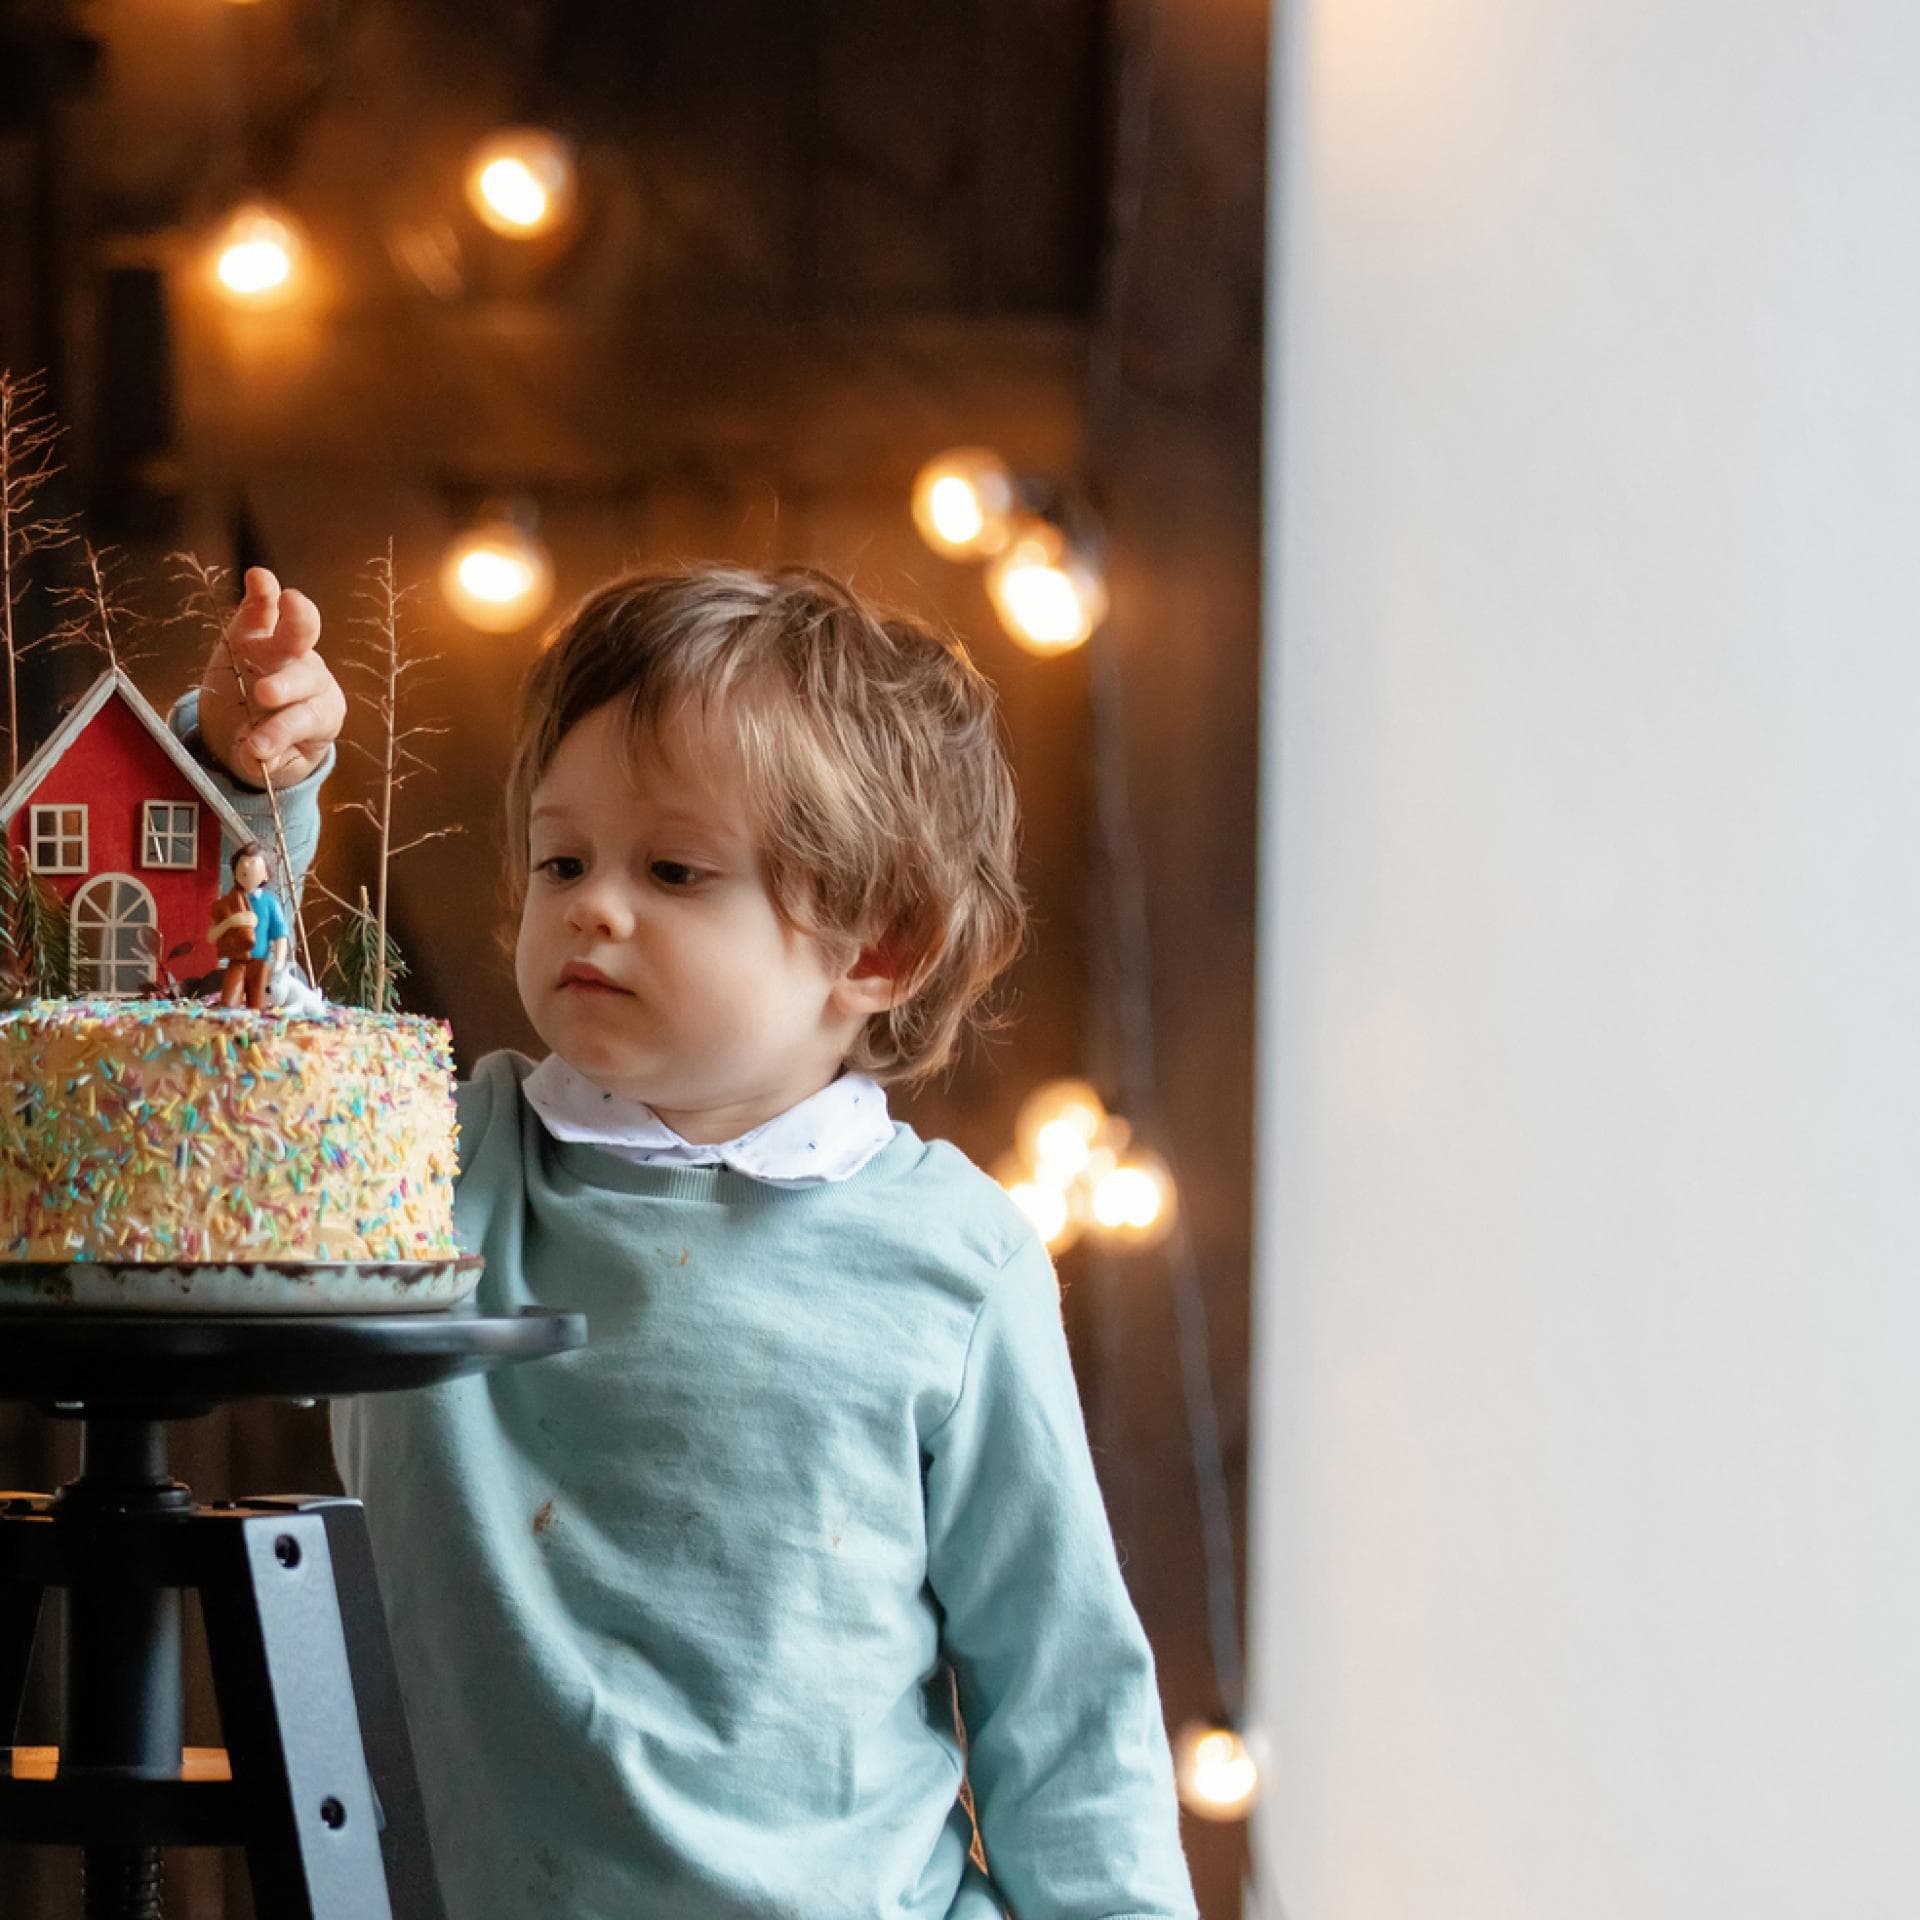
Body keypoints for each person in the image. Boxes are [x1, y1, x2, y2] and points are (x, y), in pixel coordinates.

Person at [182, 563, 1199, 1920]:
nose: (595, 905)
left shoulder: (955, 1260)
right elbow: (216, 1057)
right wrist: (251, 788)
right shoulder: (427, 1165)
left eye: (673, 869)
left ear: (880, 949)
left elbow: (1064, 1700)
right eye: (562, 860)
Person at [207, 841, 289, 1009]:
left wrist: (279, 963)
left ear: (266, 875)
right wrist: (231, 922)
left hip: (260, 964)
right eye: (241, 863)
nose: (245, 867)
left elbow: (281, 935)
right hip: (236, 961)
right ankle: (229, 1031)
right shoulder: (227, 903)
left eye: (252, 863)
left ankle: (254, 1034)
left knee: (257, 1005)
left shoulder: (269, 903)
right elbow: (211, 936)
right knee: (228, 1004)